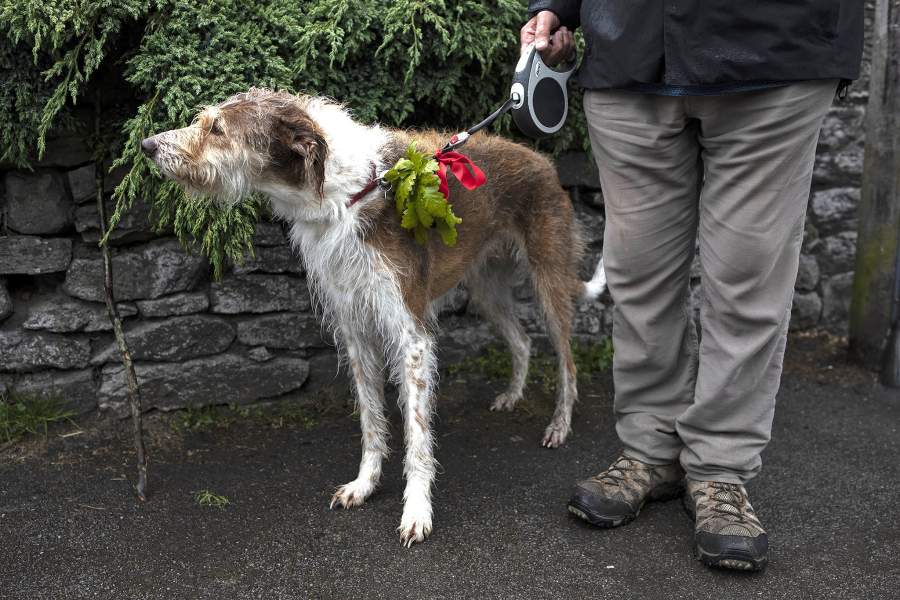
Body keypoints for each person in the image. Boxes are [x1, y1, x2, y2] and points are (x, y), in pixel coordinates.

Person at [522, 1, 864, 571]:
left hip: (776, 53)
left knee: (749, 283)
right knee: (638, 277)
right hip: (629, 55)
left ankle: (720, 467)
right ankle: (652, 449)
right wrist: (555, 7)